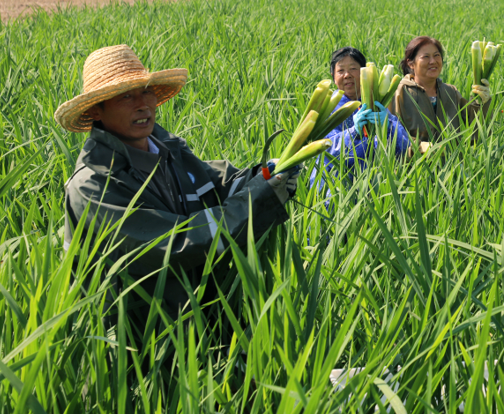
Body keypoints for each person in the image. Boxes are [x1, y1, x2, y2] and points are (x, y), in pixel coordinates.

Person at [56, 44, 300, 324]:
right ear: (96, 111)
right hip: (139, 341)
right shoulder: (95, 184)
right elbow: (175, 243)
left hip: (200, 321)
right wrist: (258, 197)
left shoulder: (167, 150)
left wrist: (266, 176)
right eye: (125, 96)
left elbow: (214, 186)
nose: (142, 104)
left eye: (146, 90)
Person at [307, 47, 411, 193]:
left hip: (374, 186)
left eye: (353, 69)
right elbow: (321, 148)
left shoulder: (376, 105)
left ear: (364, 73)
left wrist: (388, 127)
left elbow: (405, 147)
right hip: (333, 186)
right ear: (333, 76)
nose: (347, 75)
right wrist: (353, 132)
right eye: (341, 71)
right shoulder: (326, 109)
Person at [389, 36, 491, 142]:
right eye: (426, 57)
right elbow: (393, 135)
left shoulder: (450, 92)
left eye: (436, 55)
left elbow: (478, 131)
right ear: (411, 64)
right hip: (414, 158)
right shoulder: (400, 93)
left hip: (453, 158)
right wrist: (422, 148)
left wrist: (482, 103)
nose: (433, 61)